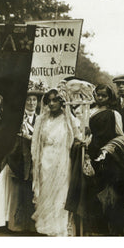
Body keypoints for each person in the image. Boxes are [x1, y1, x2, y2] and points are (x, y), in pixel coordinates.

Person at [87, 84, 124, 235]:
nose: (100, 98)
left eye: (104, 95)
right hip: (93, 155)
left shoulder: (114, 114)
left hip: (110, 159)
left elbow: (120, 136)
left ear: (110, 97)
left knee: (112, 194)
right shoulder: (90, 112)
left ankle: (115, 228)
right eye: (98, 95)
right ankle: (99, 227)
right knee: (96, 191)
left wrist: (107, 150)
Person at [31, 86, 81, 236]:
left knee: (60, 193)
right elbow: (35, 142)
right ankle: (46, 227)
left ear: (61, 102)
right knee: (46, 193)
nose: (52, 104)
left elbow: (78, 136)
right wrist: (36, 161)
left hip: (62, 160)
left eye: (55, 100)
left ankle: (60, 228)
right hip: (45, 160)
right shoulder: (41, 119)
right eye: (49, 101)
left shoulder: (68, 119)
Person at [6, 89, 42, 233]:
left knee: (33, 192)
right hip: (19, 159)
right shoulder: (17, 119)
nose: (32, 103)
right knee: (18, 192)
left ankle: (33, 226)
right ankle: (17, 225)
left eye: (34, 100)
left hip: (36, 160)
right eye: (28, 100)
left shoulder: (40, 119)